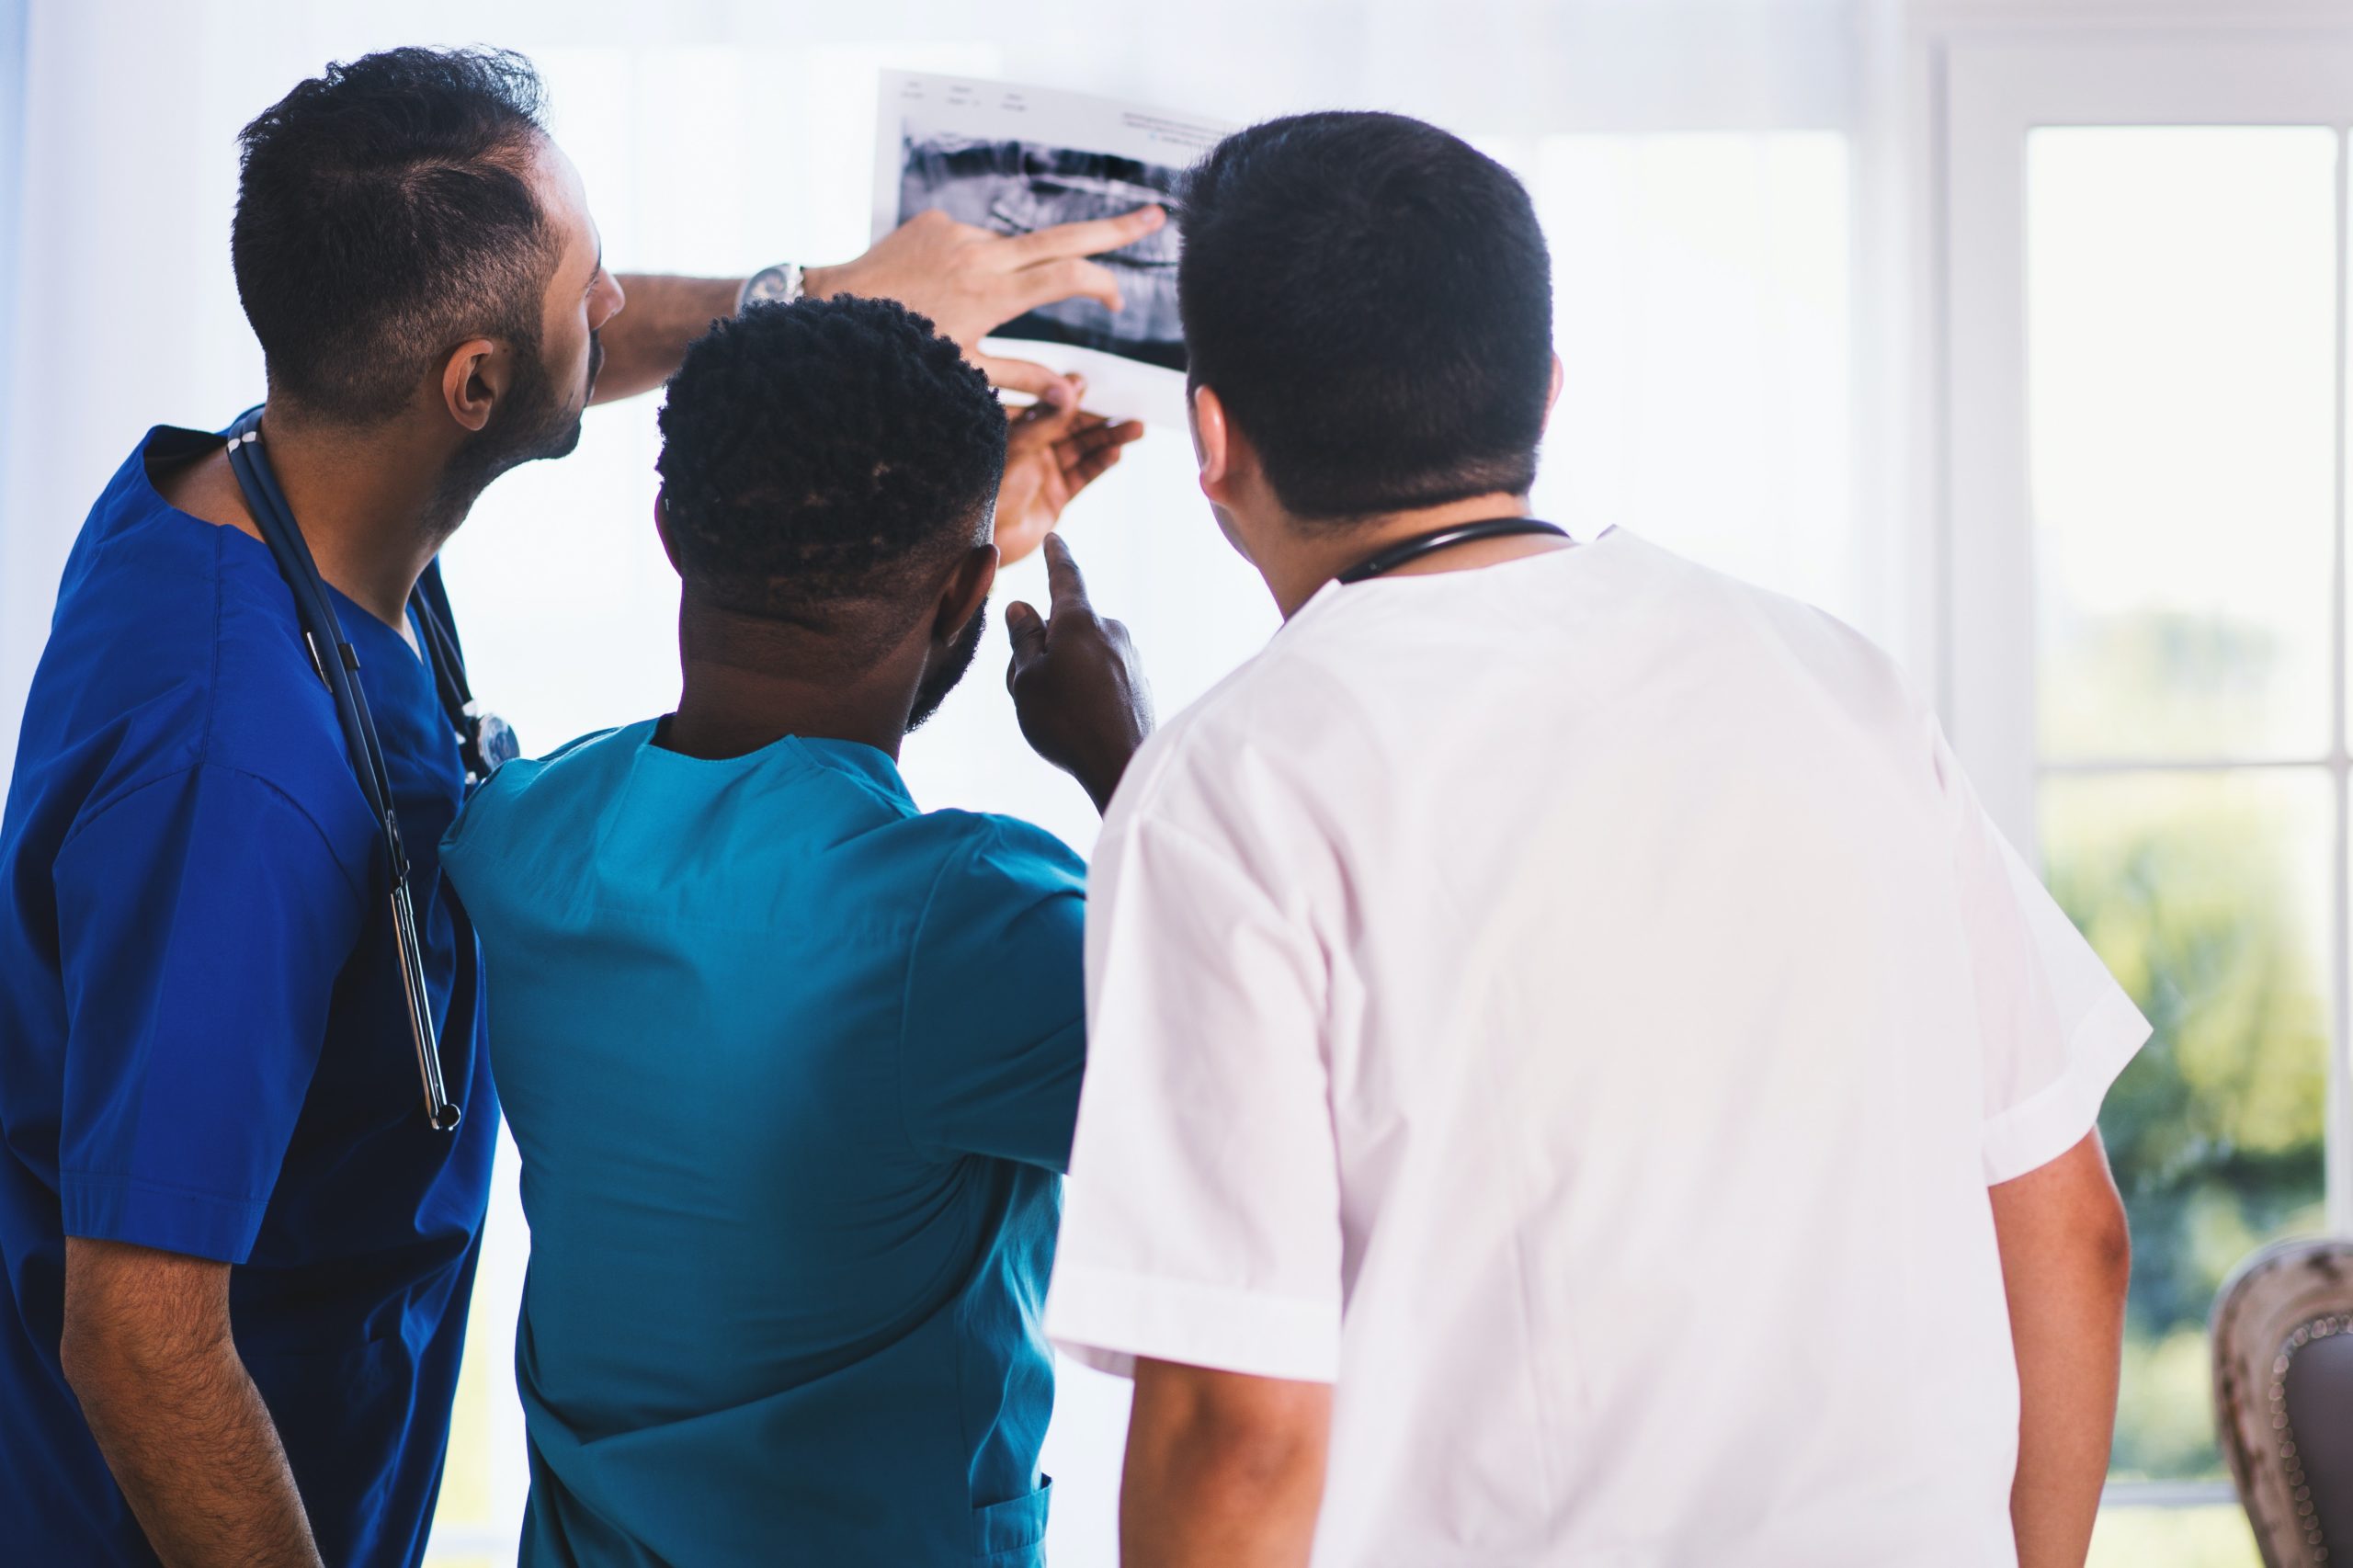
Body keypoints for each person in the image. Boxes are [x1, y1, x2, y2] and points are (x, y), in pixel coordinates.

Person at [0, 45, 1155, 1568]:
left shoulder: (268, 500)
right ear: (473, 386)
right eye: (588, 285)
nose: (617, 312)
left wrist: (830, 325)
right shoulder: (238, 774)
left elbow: (757, 729)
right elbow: (142, 1340)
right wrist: (1104, 738)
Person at [1042, 111, 2144, 1568]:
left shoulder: (1225, 786)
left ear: (1212, 432)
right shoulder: (1835, 681)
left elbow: (1238, 1430)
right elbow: (2073, 1235)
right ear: (1545, 394)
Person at [438, 294, 1149, 1566]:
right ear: (965, 594)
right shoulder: (967, 925)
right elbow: (1266, 1094)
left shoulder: (517, 839)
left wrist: (955, 555)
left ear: (671, 531)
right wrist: (1131, 767)